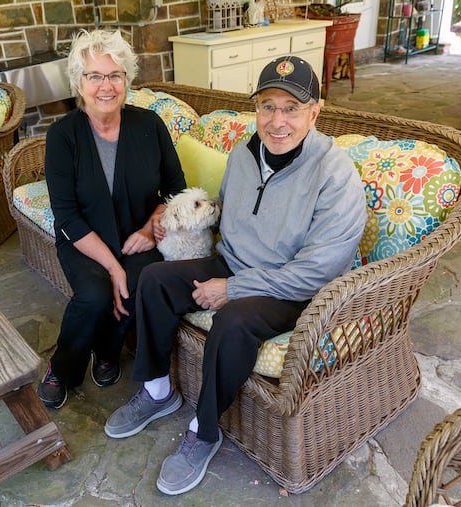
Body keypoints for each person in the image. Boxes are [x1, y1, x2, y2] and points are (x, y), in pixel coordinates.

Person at [104, 56, 367, 495]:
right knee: (153, 278)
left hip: (292, 288)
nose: (277, 120)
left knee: (233, 321)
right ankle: (156, 389)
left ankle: (204, 430)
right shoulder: (246, 154)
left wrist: (234, 288)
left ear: (314, 112)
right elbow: (225, 215)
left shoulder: (336, 176)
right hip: (233, 263)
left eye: (291, 108)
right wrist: (172, 229)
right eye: (267, 106)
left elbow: (317, 270)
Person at [37, 29, 186, 409]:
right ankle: (64, 367)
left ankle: (106, 352)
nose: (106, 86)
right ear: (79, 83)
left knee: (137, 283)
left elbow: (174, 190)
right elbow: (66, 214)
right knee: (95, 293)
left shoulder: (149, 125)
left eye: (115, 75)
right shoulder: (62, 135)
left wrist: (151, 229)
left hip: (137, 237)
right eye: (95, 76)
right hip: (84, 239)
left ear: (126, 80)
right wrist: (112, 266)